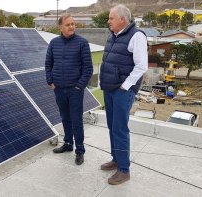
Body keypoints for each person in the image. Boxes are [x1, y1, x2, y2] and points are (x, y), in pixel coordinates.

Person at [99, 4, 148, 185]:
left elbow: (141, 66)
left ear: (122, 19)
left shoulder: (136, 36)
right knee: (112, 127)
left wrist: (125, 86)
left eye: (111, 18)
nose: (108, 21)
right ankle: (116, 159)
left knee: (120, 129)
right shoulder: (114, 36)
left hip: (122, 91)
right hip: (110, 88)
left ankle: (124, 170)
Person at [45, 14, 93, 165]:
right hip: (59, 89)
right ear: (60, 27)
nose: (72, 27)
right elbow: (48, 64)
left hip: (75, 90)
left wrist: (79, 86)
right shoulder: (53, 43)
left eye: (73, 24)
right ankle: (67, 144)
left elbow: (88, 69)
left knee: (76, 120)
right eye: (68, 24)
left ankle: (80, 150)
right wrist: (50, 81)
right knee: (65, 117)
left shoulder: (82, 43)